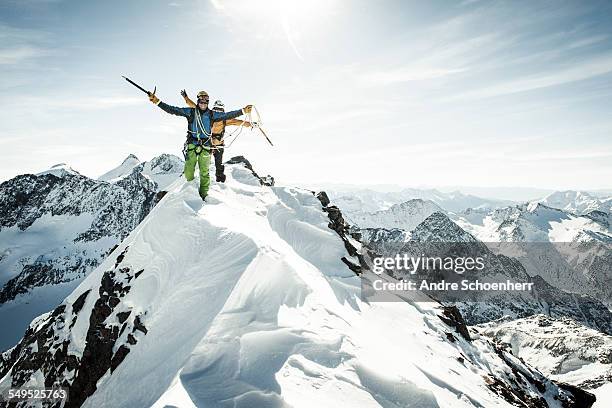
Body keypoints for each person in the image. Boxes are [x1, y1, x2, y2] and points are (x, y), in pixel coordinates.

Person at [148, 90, 252, 200]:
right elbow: (172, 110)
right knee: (188, 172)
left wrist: (243, 111)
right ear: (198, 101)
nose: (203, 104)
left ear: (208, 102)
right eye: (201, 101)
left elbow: (229, 115)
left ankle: (204, 196)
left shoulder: (212, 115)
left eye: (205, 102)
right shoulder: (191, 112)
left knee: (204, 172)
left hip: (206, 146)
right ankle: (192, 189)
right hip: (193, 144)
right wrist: (157, 101)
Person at [182, 92, 253, 182]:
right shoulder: (209, 117)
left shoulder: (224, 120)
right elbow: (194, 106)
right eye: (217, 110)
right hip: (208, 144)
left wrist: (251, 124)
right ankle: (196, 177)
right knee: (201, 161)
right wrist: (186, 98)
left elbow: (238, 122)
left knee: (219, 165)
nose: (218, 112)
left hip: (219, 145)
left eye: (220, 110)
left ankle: (220, 182)